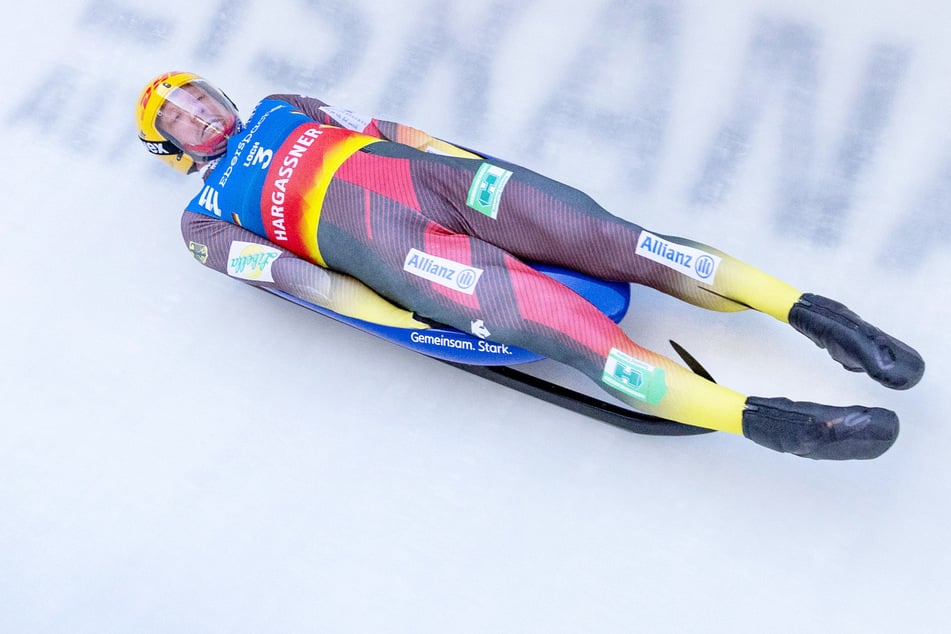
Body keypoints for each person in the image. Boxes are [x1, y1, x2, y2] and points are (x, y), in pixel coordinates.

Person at [136, 70, 925, 461]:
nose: (203, 112)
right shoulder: (203, 222)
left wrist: (477, 170)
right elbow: (310, 286)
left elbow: (400, 135)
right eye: (181, 117)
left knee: (622, 240)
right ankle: (775, 422)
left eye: (199, 95)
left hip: (450, 186)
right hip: (408, 256)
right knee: (570, 334)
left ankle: (820, 317)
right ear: (172, 147)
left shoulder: (286, 105)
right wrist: (406, 320)